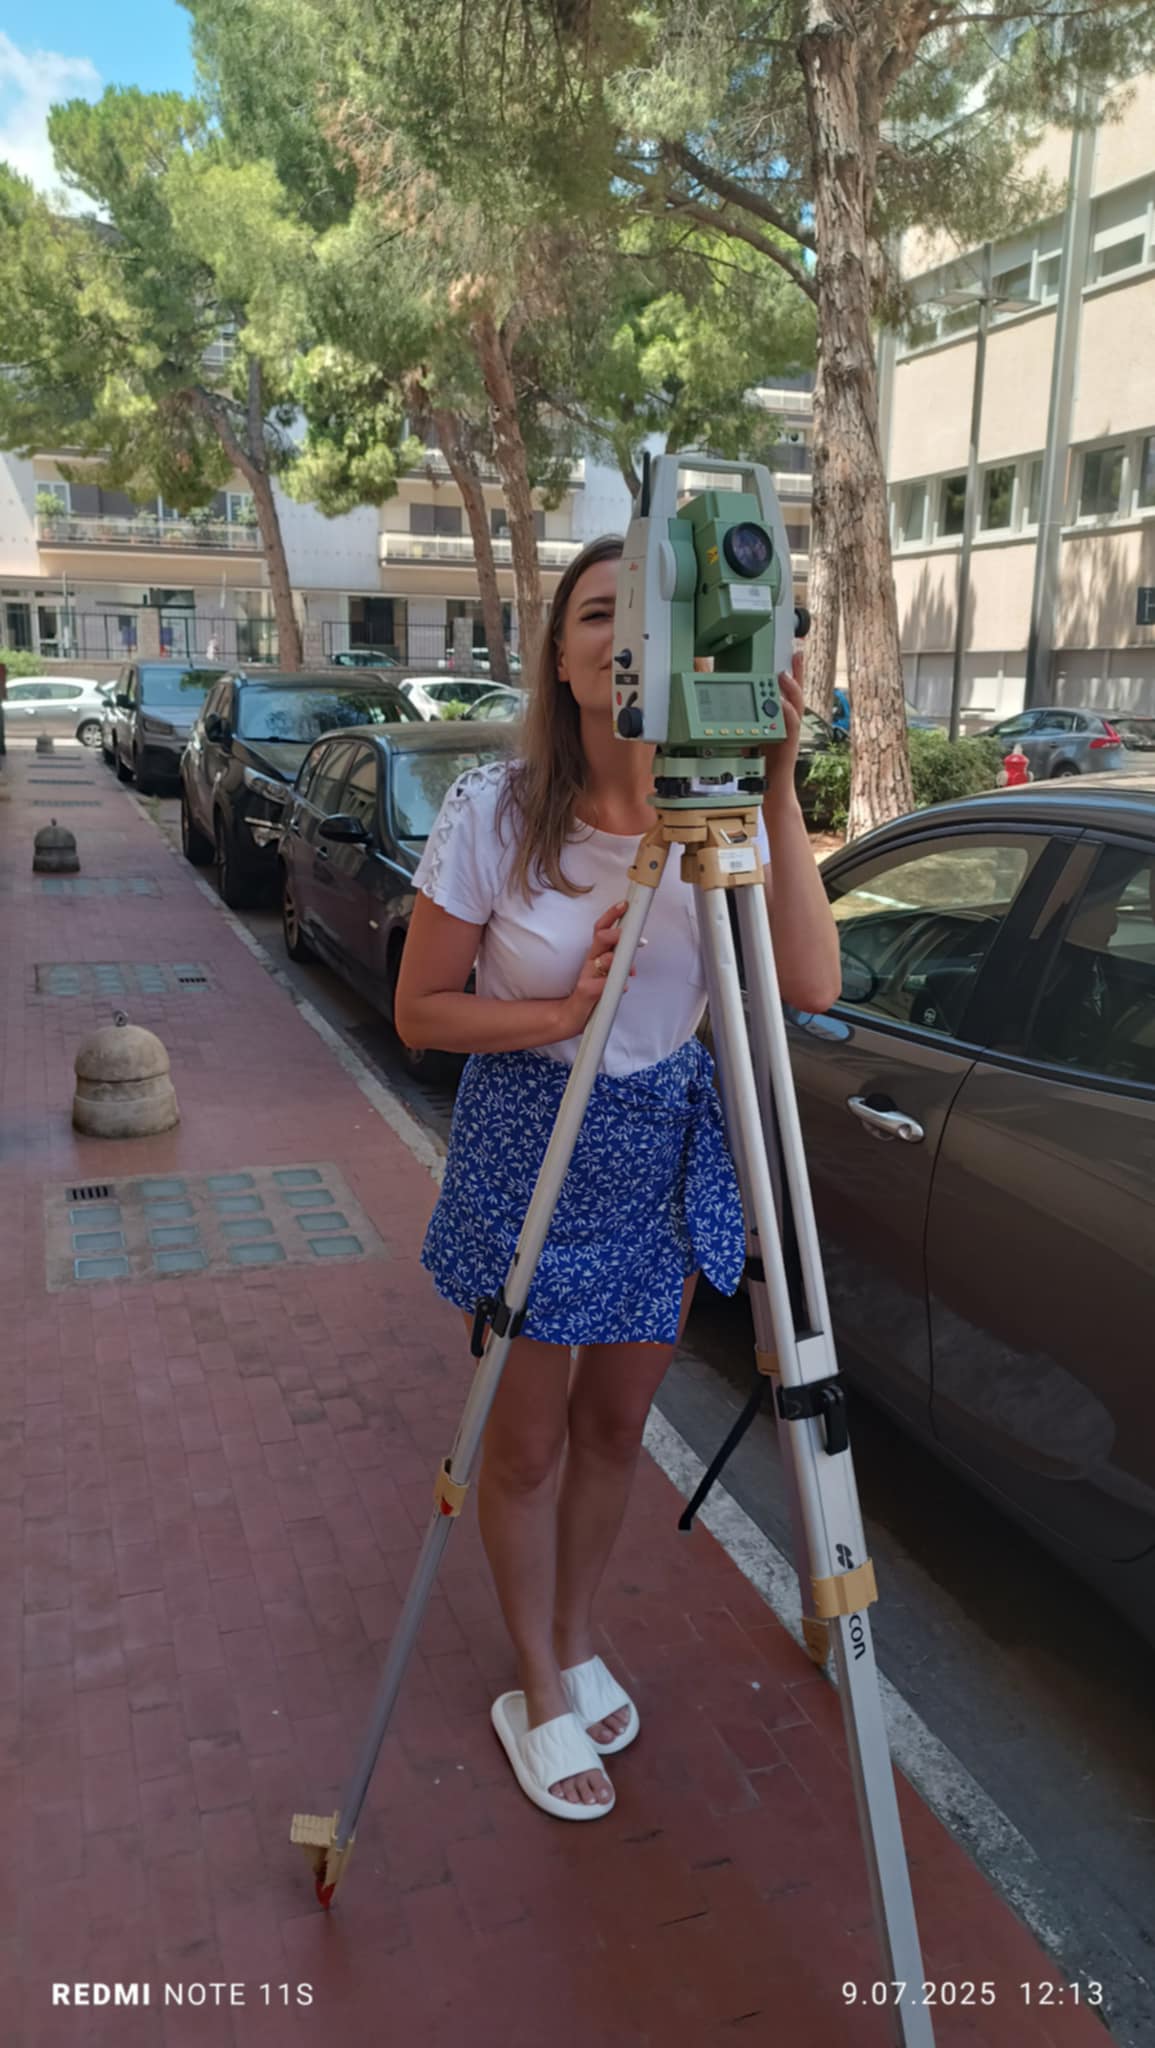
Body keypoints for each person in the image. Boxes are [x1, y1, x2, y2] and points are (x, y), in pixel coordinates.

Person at [395, 534, 841, 1823]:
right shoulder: (497, 809)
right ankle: (535, 1680)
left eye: (646, 612)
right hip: (532, 1143)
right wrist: (558, 1012)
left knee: (612, 1430)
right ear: (560, 655)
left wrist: (776, 781)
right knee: (528, 1443)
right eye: (598, 614)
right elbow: (421, 1012)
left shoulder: (719, 814)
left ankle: (576, 1635)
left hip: (659, 1148)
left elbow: (809, 984)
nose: (624, 634)